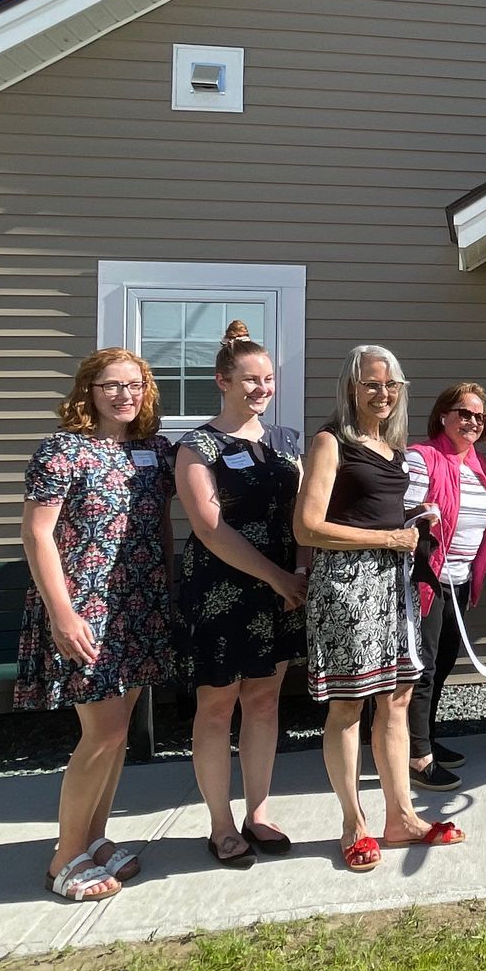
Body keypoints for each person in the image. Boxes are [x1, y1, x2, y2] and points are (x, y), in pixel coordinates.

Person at [295, 345, 464, 871]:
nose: (383, 393)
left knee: (396, 699)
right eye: (372, 384)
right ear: (352, 388)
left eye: (391, 385)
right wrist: (388, 536)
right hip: (348, 585)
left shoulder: (391, 449)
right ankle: (354, 824)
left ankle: (401, 817)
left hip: (393, 583)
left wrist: (413, 516)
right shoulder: (331, 442)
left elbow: (371, 510)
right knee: (347, 705)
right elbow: (309, 526)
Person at [18, 348, 176, 902]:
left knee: (118, 734)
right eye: (112, 385)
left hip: (142, 605)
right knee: (101, 733)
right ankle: (65, 857)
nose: (124, 395)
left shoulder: (154, 449)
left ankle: (94, 837)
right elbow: (37, 535)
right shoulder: (63, 450)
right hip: (87, 608)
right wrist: (62, 613)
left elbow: (159, 526)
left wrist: (169, 594)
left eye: (135, 385)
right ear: (89, 389)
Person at [174, 321, 308, 866]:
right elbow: (209, 528)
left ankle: (258, 811)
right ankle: (220, 824)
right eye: (250, 379)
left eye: (269, 379)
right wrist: (278, 577)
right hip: (221, 590)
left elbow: (304, 514)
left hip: (281, 592)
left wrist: (299, 568)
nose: (262, 388)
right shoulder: (196, 445)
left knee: (264, 699)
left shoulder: (286, 441)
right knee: (216, 705)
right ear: (223, 381)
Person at [400, 382, 486, 791]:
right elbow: (398, 513)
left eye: (480, 417)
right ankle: (417, 757)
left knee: (442, 664)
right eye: (464, 413)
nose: (473, 422)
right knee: (422, 669)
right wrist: (421, 512)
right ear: (444, 415)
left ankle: (425, 739)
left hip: (459, 584)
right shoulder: (423, 458)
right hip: (425, 581)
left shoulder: (479, 466)